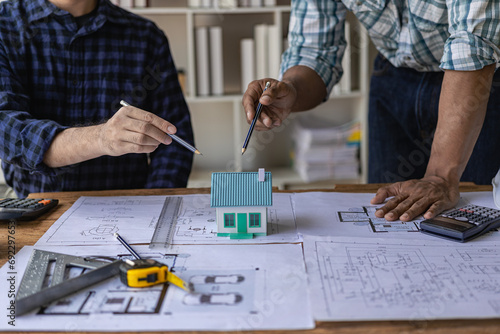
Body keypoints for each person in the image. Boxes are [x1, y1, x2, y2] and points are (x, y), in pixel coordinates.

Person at [242, 0, 500, 222]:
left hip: (478, 81)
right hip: (392, 77)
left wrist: (441, 177)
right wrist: (292, 90)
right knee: (385, 215)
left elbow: (473, 46)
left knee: (472, 219)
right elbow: (313, 50)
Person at [0, 0, 195, 198]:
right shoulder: (4, 25)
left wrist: (155, 202)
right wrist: (101, 139)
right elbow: (7, 129)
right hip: (36, 211)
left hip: (131, 211)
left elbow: (175, 141)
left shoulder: (146, 37)